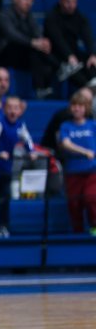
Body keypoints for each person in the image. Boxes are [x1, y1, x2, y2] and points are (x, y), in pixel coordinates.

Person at [0, 96, 34, 238]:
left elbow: (28, 140)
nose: (12, 111)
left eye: (16, 108)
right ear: (4, 109)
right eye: (9, 107)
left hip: (6, 168)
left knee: (5, 198)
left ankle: (2, 226)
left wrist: (31, 152)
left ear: (20, 110)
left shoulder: (20, 125)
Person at [0, 0, 58, 98]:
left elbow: (36, 31)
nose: (28, 2)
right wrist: (34, 43)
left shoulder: (29, 16)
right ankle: (41, 87)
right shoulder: (4, 14)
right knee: (34, 50)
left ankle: (46, 85)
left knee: (43, 50)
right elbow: (12, 35)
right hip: (4, 53)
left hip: (23, 53)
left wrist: (42, 41)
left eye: (31, 0)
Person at [59, 91, 96, 236]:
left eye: (80, 106)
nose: (77, 109)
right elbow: (66, 144)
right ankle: (77, 232)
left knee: (91, 198)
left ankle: (94, 226)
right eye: (74, 105)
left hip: (92, 171)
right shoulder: (66, 126)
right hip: (73, 172)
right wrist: (84, 152)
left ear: (86, 108)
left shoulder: (93, 125)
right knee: (74, 204)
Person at [44, 0, 96, 89]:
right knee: (72, 67)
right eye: (67, 1)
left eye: (74, 1)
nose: (71, 4)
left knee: (91, 62)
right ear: (60, 1)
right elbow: (58, 40)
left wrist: (93, 54)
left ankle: (93, 85)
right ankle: (90, 90)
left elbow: (88, 37)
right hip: (55, 54)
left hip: (74, 52)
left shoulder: (80, 17)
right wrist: (69, 56)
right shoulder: (51, 17)